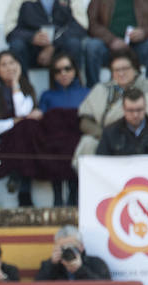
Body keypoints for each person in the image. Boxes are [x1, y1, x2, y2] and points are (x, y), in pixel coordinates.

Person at [73, 47, 148, 163]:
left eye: (125, 68)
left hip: (146, 139)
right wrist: (105, 136)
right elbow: (85, 120)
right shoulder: (100, 89)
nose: (121, 73)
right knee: (87, 142)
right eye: (116, 70)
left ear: (135, 68)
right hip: (107, 140)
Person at [0, 49, 42, 207]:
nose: (9, 68)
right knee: (23, 145)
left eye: (12, 63)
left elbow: (22, 111)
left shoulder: (25, 87)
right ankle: (23, 189)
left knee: (25, 136)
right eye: (3, 65)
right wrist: (16, 121)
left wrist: (16, 84)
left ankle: (17, 179)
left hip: (14, 148)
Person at [37, 51, 89, 206]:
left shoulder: (87, 93)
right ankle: (58, 194)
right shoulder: (47, 95)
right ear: (53, 75)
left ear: (75, 70)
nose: (63, 73)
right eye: (58, 71)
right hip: (55, 143)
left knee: (74, 144)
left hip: (77, 139)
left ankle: (74, 193)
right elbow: (44, 121)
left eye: (67, 68)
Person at [5, 0, 90, 88]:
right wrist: (31, 37)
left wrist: (53, 45)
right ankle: (22, 90)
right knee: (17, 46)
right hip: (32, 50)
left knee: (74, 44)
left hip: (59, 48)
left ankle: (75, 89)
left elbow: (81, 26)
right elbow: (10, 30)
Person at [85, 0, 148, 83]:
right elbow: (92, 23)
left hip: (139, 45)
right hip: (108, 46)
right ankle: (93, 90)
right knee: (92, 46)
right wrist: (111, 40)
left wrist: (145, 32)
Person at [94, 85, 148, 153]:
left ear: (145, 108)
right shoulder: (110, 133)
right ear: (123, 109)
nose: (135, 115)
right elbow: (101, 165)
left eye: (139, 109)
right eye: (130, 110)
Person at [35, 225, 110, 280]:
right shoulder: (50, 265)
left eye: (71, 246)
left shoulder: (96, 263)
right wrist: (52, 265)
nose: (68, 250)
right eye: (63, 247)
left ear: (81, 247)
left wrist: (80, 269)